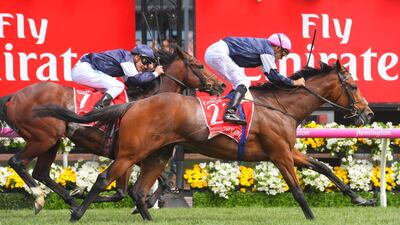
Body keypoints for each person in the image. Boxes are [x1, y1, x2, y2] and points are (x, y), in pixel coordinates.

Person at [205, 33, 306, 125]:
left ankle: (228, 109)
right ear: (277, 48)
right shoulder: (267, 50)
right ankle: (230, 112)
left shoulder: (263, 49)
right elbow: (275, 76)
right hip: (218, 52)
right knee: (243, 81)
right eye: (284, 53)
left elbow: (271, 77)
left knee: (239, 83)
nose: (282, 58)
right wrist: (294, 82)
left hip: (215, 52)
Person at [71, 44, 164, 109]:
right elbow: (137, 79)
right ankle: (98, 109)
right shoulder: (127, 60)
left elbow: (131, 83)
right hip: (85, 68)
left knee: (115, 91)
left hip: (86, 69)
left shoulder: (128, 63)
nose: (145, 66)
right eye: (145, 61)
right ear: (137, 57)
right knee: (118, 86)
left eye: (148, 64)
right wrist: (155, 73)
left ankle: (94, 108)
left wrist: (149, 72)